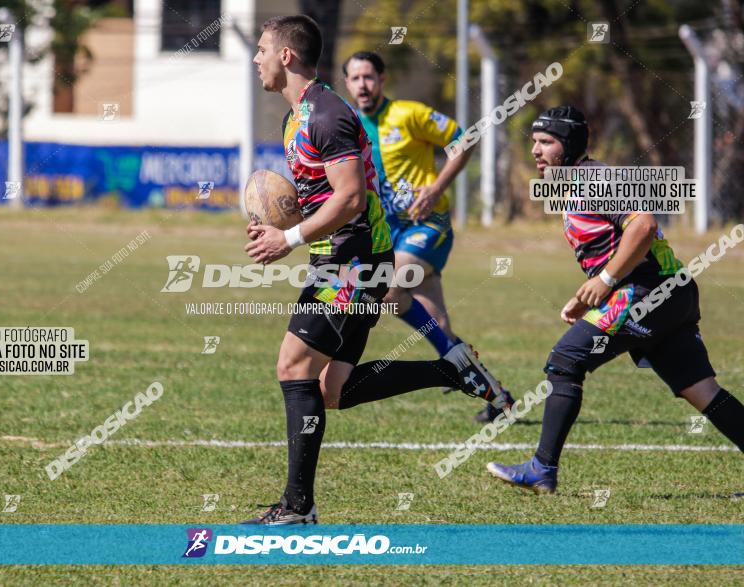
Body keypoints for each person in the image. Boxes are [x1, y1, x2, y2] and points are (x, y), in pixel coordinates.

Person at [242, 15, 511, 524]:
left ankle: (298, 508)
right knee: (331, 391)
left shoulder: (327, 114)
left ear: (286, 56)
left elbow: (349, 199)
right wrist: (279, 224)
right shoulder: (293, 119)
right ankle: (449, 368)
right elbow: (322, 199)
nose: (255, 58)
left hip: (354, 263)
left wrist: (290, 238)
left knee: (292, 368)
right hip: (342, 259)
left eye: (261, 49)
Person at [487, 105, 744, 494]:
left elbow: (644, 225)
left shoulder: (596, 178)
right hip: (667, 292)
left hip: (648, 292)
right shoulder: (575, 183)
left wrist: (606, 281)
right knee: (701, 390)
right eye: (534, 142)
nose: (536, 151)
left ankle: (542, 468)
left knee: (565, 360)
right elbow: (611, 246)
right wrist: (586, 294)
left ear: (569, 144)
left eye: (546, 142)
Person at [343, 51, 513, 422]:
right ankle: (498, 396)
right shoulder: (349, 125)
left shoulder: (409, 114)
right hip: (390, 235)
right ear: (346, 85)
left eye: (369, 76)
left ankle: (467, 375)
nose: (362, 85)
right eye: (355, 79)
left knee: (388, 288)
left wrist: (436, 188)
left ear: (383, 79)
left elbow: (464, 140)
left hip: (427, 225)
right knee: (440, 331)